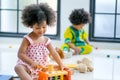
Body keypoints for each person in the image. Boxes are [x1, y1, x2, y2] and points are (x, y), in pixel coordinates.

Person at [14, 3, 64, 80]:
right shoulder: (27, 39)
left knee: (52, 69)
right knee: (18, 68)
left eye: (44, 27)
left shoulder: (46, 40)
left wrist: (61, 64)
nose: (41, 30)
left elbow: (53, 53)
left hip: (41, 67)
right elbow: (20, 54)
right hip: (27, 65)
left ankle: (35, 76)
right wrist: (31, 63)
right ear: (31, 26)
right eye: (37, 28)